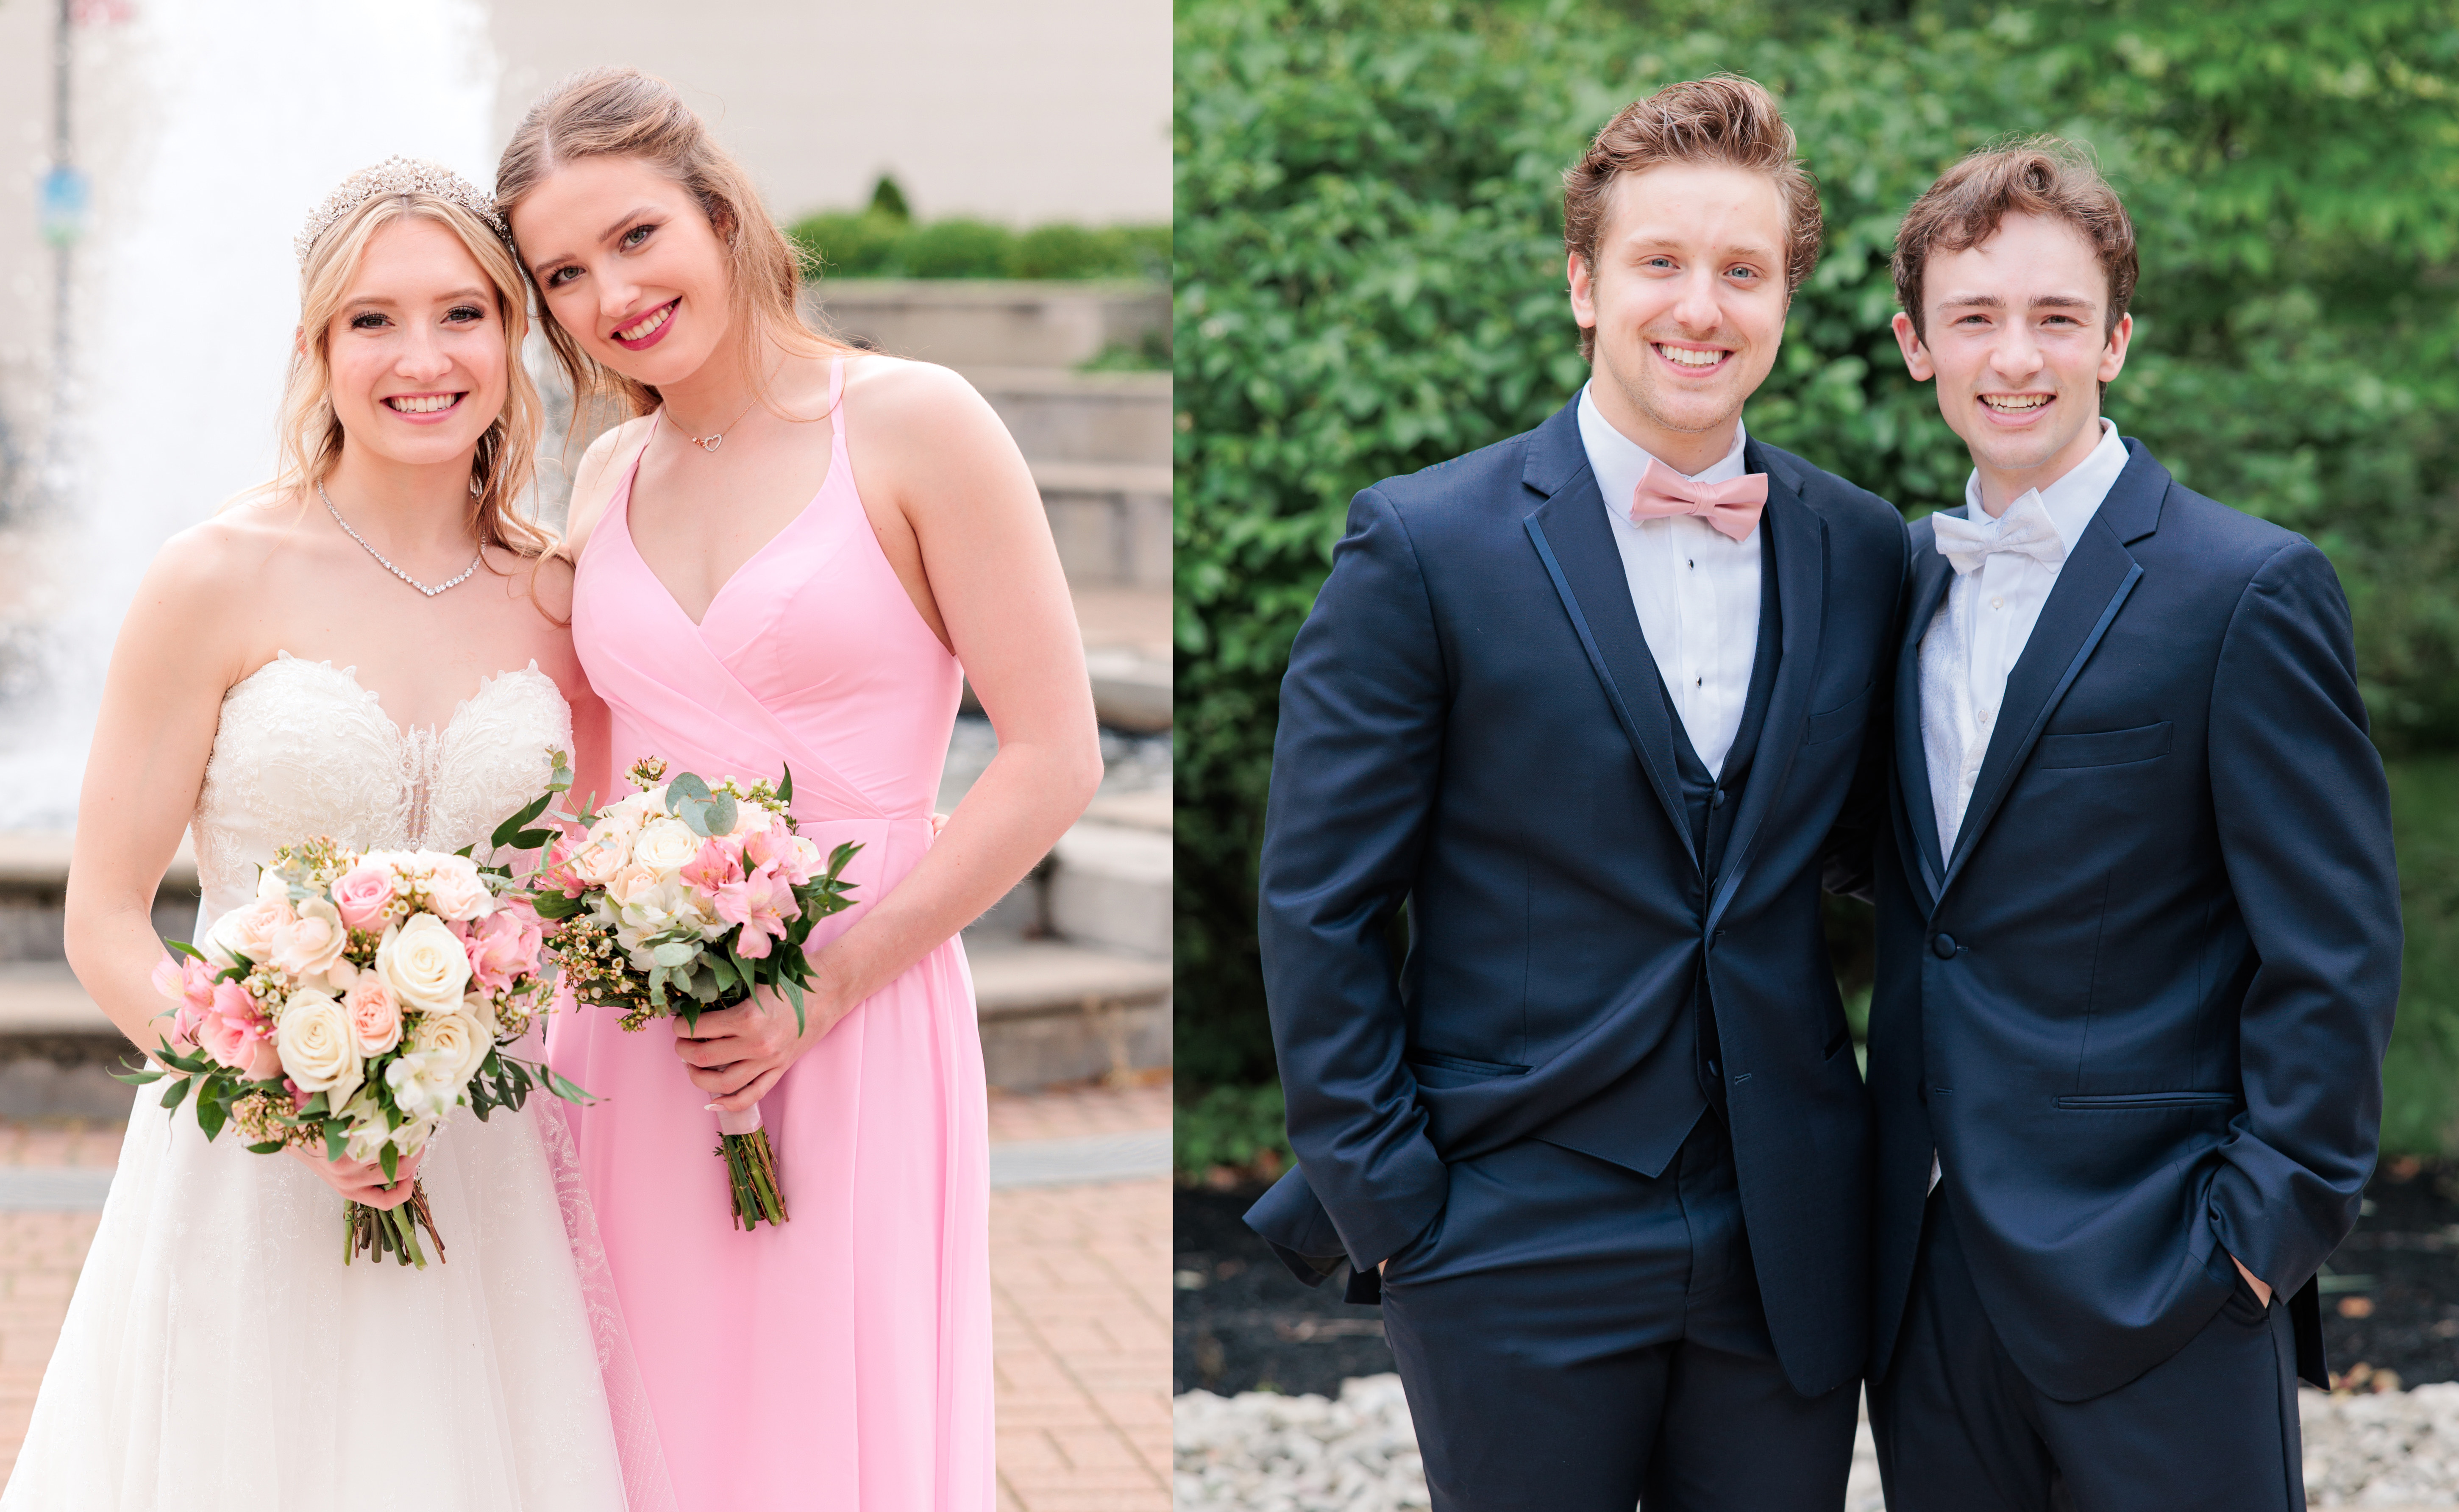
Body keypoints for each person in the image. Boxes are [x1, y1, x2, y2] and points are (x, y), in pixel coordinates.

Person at [1243, 75, 1906, 1511]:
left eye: (1742, 270)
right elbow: (1320, 902)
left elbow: (1887, 857)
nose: (1700, 307)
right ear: (1582, 287)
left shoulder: (1860, 550)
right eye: (1658, 262)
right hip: (1500, 1220)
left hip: (1781, 1227)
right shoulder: (1422, 546)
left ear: (1786, 294)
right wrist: (1393, 1207)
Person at [9, 160, 664, 1510]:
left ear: (510, 336)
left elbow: (587, 881)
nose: (420, 358)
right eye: (372, 320)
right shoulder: (214, 577)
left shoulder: (561, 597)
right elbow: (105, 923)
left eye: (461, 314)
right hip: (245, 1163)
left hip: (480, 1163)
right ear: (318, 347)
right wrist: (283, 1098)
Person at [495, 68, 1102, 1510]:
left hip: (853, 1010)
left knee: (828, 1411)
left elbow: (1053, 757)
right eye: (562, 274)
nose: (611, 295)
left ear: (719, 211)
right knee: (642, 1409)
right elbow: (587, 793)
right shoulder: (607, 474)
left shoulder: (912, 423)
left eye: (637, 237)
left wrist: (822, 989)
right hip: (643, 1030)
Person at [1863, 140, 2402, 1512]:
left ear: (2115, 338)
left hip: (2163, 1269)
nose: (2014, 357)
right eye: (1973, 317)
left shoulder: (2246, 589)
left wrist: (2256, 1236)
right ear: (1915, 344)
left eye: (2054, 317)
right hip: (1924, 1276)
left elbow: (2331, 951)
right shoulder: (1892, 585)